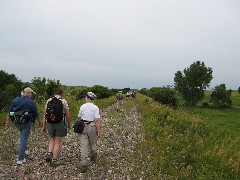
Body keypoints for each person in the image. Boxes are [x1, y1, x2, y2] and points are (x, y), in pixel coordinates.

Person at [5, 87, 39, 165]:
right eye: (31, 93)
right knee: (23, 139)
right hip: (26, 122)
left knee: (23, 135)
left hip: (16, 122)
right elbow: (36, 114)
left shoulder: (16, 99)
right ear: (28, 93)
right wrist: (40, 123)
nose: (32, 95)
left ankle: (25, 151)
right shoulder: (31, 102)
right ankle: (20, 159)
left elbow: (10, 112)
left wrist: (8, 121)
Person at [42, 88, 71, 167]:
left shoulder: (48, 101)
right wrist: (69, 124)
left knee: (52, 138)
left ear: (54, 93)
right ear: (61, 94)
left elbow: (45, 114)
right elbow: (67, 114)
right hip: (60, 123)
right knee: (57, 141)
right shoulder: (63, 101)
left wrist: (43, 125)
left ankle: (49, 153)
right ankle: (54, 160)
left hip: (49, 123)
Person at [78, 92, 100, 173]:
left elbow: (79, 117)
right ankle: (93, 156)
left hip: (83, 126)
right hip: (92, 126)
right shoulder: (95, 107)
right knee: (93, 143)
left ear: (88, 98)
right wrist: (98, 132)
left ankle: (84, 164)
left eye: (85, 97)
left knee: (84, 145)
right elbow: (97, 120)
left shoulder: (82, 106)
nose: (85, 98)